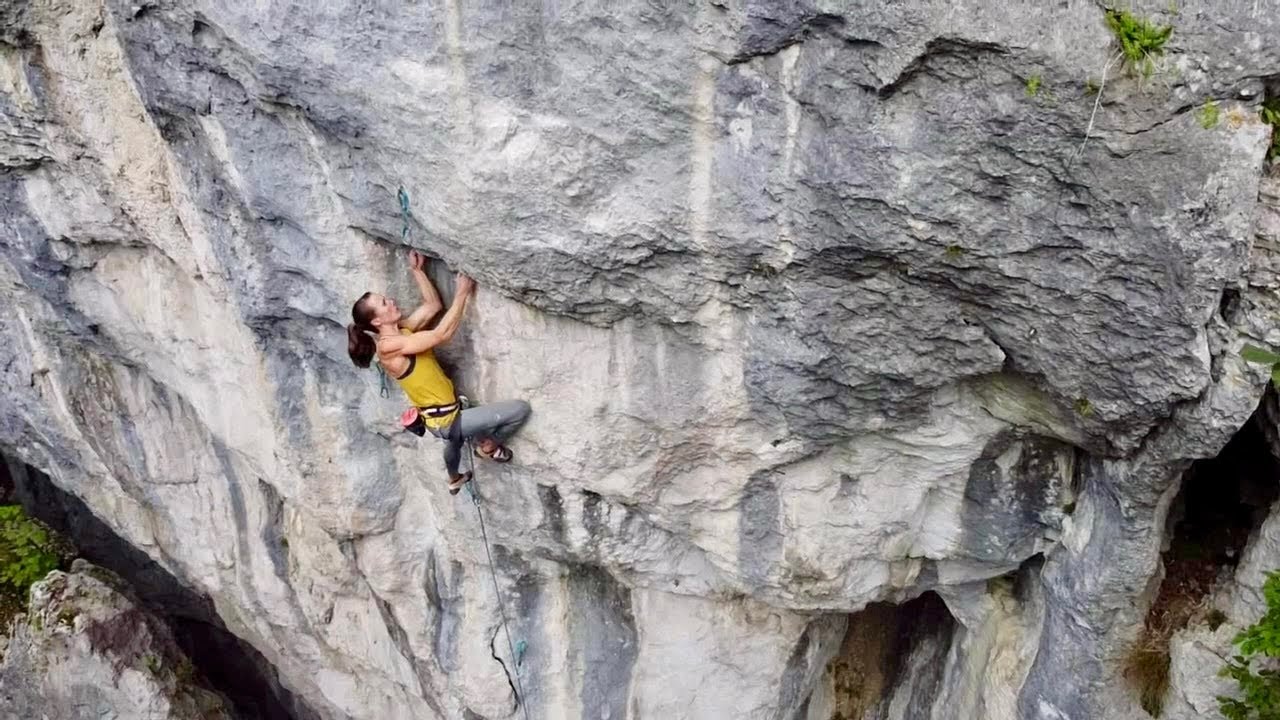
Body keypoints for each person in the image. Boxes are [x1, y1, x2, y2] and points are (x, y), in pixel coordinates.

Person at [346, 250, 531, 494]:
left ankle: (455, 477)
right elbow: (441, 335)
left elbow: (433, 306)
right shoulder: (389, 348)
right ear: (377, 322)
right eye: (383, 304)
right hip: (447, 420)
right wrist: (462, 294)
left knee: (455, 439)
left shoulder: (402, 331)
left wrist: (417, 271)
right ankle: (488, 447)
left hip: (445, 415)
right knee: (519, 410)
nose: (390, 301)